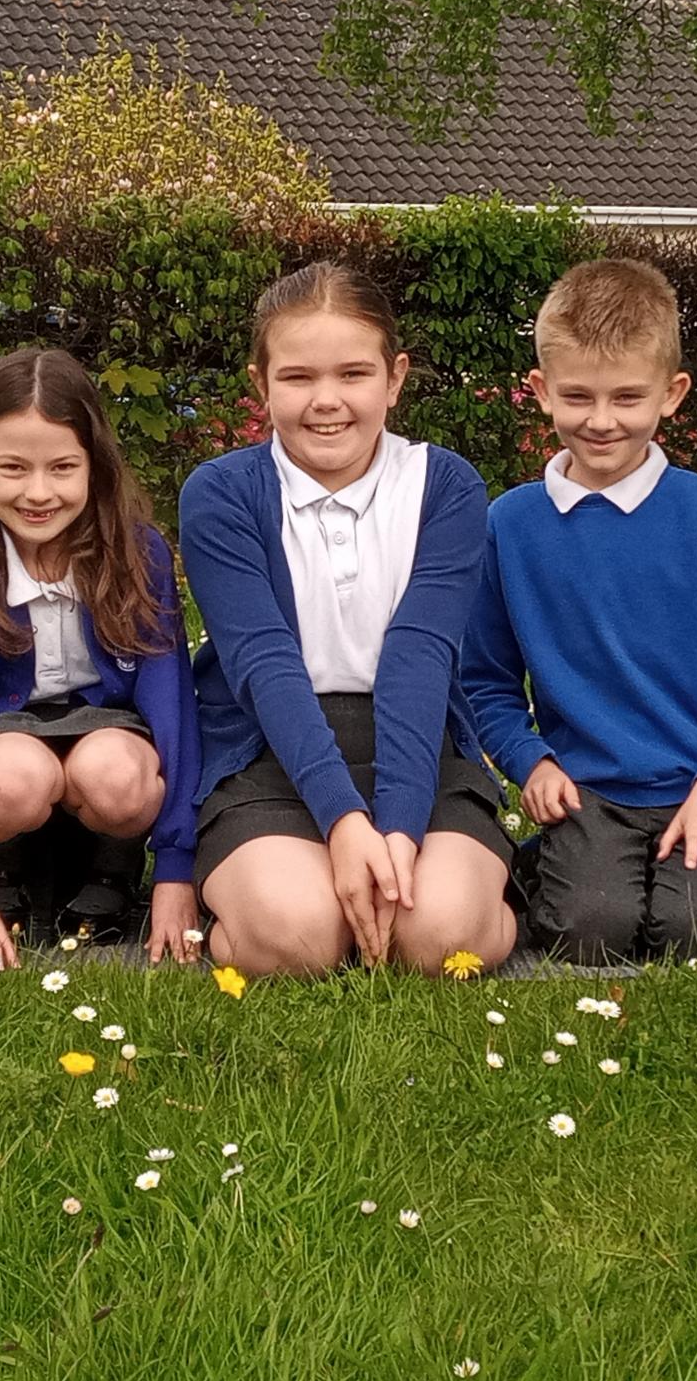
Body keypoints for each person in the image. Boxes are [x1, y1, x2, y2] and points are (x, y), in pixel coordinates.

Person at [180, 262, 517, 977]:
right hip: (268, 747)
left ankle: (487, 887)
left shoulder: (445, 485)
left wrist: (395, 826)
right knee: (299, 938)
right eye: (298, 377)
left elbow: (420, 656)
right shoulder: (221, 494)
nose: (326, 401)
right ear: (261, 384)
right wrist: (342, 821)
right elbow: (263, 664)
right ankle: (258, 905)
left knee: (441, 939)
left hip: (420, 744)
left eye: (353, 375)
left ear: (394, 378)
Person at [464, 257, 697, 963]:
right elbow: (483, 680)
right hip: (586, 792)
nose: (602, 421)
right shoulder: (511, 525)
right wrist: (532, 763)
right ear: (541, 391)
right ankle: (541, 862)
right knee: (590, 933)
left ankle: (689, 868)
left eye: (627, 398)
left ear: (671, 395)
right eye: (577, 397)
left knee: (694, 939)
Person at [0, 346, 200, 969]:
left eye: (62, 467)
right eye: (14, 468)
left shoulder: (138, 555)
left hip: (106, 738)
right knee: (14, 780)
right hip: (0, 747)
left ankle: (114, 876)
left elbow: (171, 702)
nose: (39, 493)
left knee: (121, 775)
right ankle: (0, 876)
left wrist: (177, 867)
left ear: (95, 467)